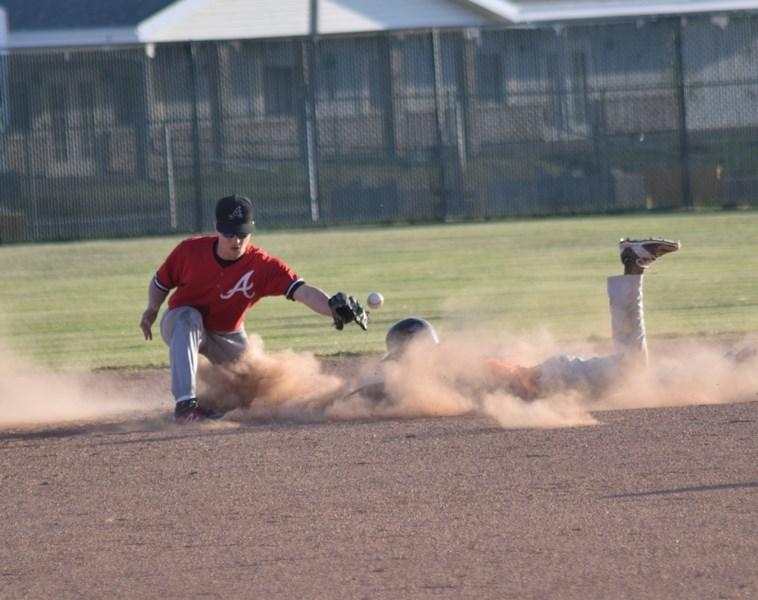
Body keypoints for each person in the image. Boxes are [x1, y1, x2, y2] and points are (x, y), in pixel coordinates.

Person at [354, 237, 681, 402]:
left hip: (554, 378)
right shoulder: (440, 367)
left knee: (632, 369)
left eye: (401, 358)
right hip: (553, 376)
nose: (400, 366)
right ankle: (727, 364)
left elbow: (506, 376)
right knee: (637, 379)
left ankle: (634, 265)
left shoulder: (448, 362)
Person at [140, 194, 368, 424]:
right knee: (189, 317)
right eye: (228, 232)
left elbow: (304, 292)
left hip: (227, 335)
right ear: (216, 228)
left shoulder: (263, 265)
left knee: (257, 389)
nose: (236, 240)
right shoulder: (189, 251)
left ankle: (215, 404)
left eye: (242, 233)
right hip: (180, 322)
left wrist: (333, 308)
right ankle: (185, 406)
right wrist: (152, 307)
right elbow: (160, 282)